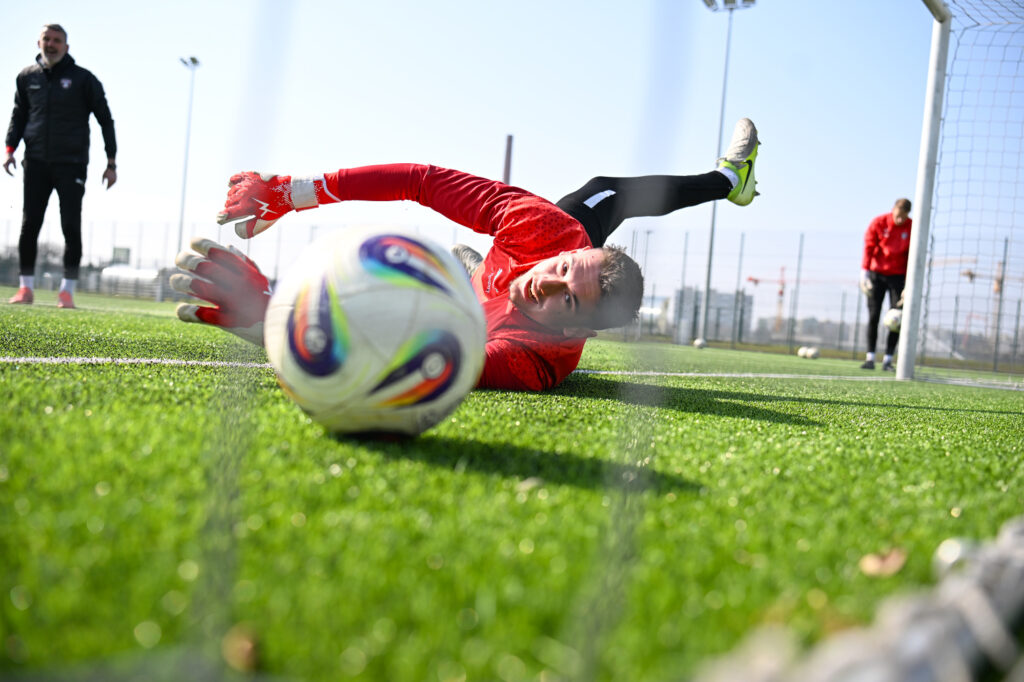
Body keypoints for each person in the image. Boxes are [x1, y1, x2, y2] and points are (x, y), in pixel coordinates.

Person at [172, 118, 760, 391]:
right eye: (562, 272)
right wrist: (294, 192)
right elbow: (421, 181)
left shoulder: (534, 360)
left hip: (477, 308)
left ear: (576, 332)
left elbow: (423, 360)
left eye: (565, 301)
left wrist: (279, 319)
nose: (546, 285)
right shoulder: (546, 232)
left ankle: (471, 272)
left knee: (433, 304)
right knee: (606, 190)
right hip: (545, 237)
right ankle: (728, 179)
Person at [4, 24, 118, 309]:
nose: (51, 44)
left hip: (72, 164)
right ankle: (25, 288)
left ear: (66, 46)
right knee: (30, 224)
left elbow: (105, 120)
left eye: (57, 40)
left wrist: (111, 161)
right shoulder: (26, 78)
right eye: (47, 39)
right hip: (36, 162)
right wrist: (9, 150)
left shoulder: (84, 79)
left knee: (70, 226)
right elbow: (18, 116)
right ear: (39, 43)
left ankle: (67, 291)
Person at [859, 198, 912, 371]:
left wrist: (909, 283)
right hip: (877, 275)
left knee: (897, 318)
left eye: (903, 217)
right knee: (873, 315)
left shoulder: (912, 227)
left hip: (898, 277)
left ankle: (888, 360)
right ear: (893, 210)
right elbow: (869, 247)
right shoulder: (879, 222)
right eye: (898, 215)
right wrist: (864, 273)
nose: (900, 219)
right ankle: (870, 358)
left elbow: (912, 256)